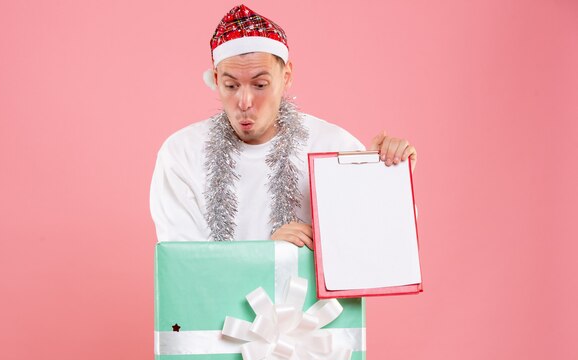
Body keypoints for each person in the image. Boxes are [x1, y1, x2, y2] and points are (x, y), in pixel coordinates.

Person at [150, 4, 417, 248]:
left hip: (319, 304)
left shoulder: (334, 146)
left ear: (286, 77)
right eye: (231, 86)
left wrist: (385, 175)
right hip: (216, 303)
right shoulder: (181, 154)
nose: (244, 101)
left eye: (260, 85)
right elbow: (183, 264)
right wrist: (267, 253)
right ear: (217, 78)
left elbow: (385, 240)